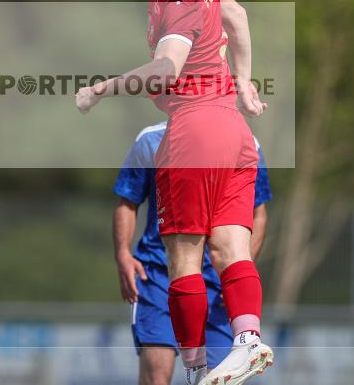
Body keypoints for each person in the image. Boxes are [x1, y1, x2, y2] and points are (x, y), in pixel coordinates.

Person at [77, 0, 272, 385]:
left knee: (183, 256)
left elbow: (166, 68)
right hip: (234, 132)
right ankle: (248, 341)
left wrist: (102, 88)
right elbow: (240, 18)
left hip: (194, 132)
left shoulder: (174, 0)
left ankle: (196, 366)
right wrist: (245, 83)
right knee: (231, 248)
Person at [113, 121, 272, 385]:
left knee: (222, 378)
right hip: (159, 273)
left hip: (216, 282)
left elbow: (259, 212)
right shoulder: (151, 140)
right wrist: (122, 254)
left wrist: (236, 275)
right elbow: (127, 201)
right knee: (156, 373)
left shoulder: (246, 141)